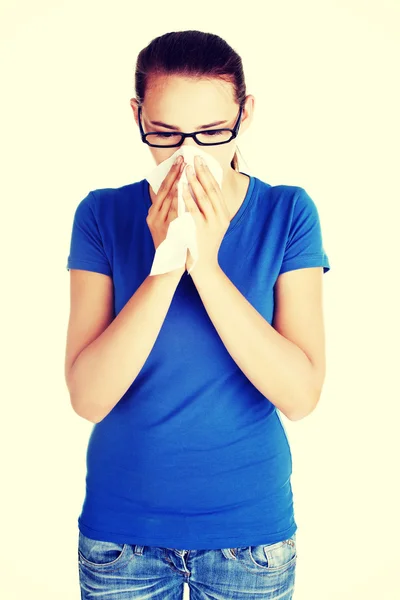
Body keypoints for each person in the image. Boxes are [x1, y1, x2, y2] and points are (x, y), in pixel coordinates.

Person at [65, 30, 330, 600]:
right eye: (164, 134)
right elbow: (88, 397)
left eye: (212, 134)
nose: (189, 154)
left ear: (246, 113)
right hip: (121, 541)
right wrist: (165, 267)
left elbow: (301, 395)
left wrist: (205, 266)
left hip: (249, 539)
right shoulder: (102, 213)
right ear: (137, 115)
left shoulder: (287, 212)